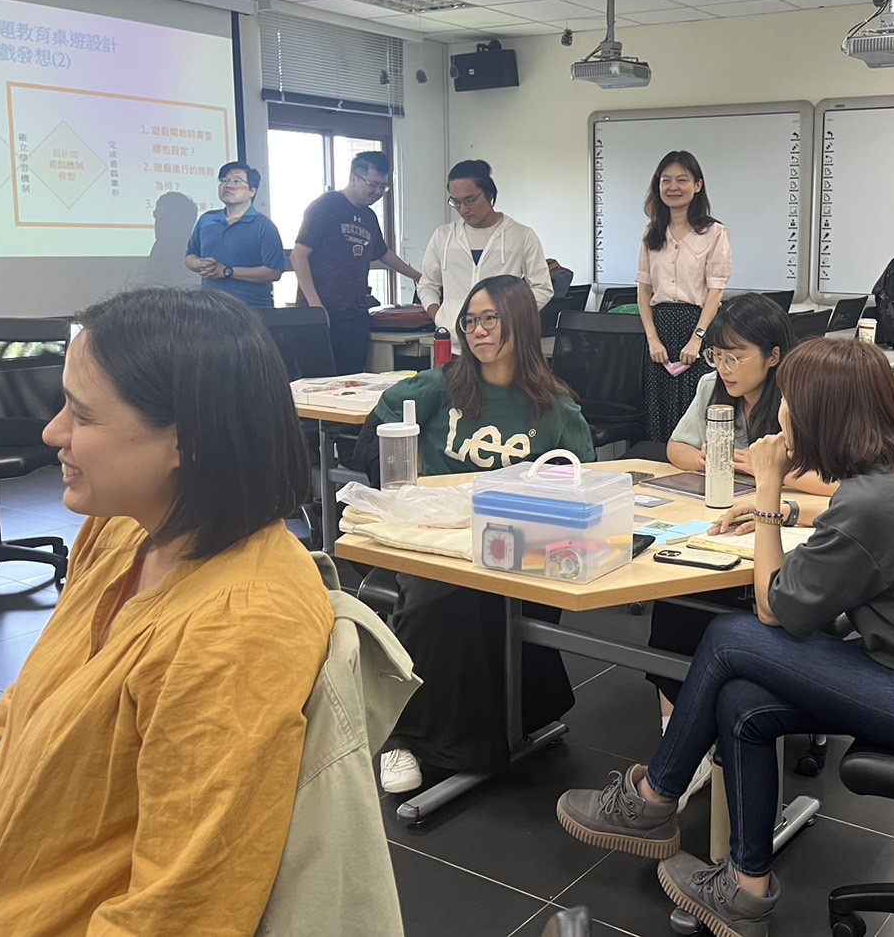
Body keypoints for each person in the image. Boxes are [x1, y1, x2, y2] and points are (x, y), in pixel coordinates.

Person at [556, 338, 894, 936]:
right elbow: (853, 523)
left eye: (789, 403)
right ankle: (746, 890)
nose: (780, 414)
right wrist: (792, 515)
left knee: (730, 637)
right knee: (743, 702)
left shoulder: (871, 502)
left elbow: (773, 608)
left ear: (819, 414)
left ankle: (653, 798)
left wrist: (770, 496)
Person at [0, 288, 333, 934]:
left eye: (82, 415)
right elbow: (17, 733)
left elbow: (176, 914)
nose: (51, 433)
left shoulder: (235, 630)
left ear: (186, 440)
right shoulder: (119, 530)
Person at [353, 274, 595, 795]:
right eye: (470, 321)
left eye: (491, 319)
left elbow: (582, 481)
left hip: (513, 543)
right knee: (437, 598)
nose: (478, 331)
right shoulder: (442, 385)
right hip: (438, 536)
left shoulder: (555, 407)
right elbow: (381, 427)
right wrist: (410, 474)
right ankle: (404, 737)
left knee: (494, 603)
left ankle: (486, 734)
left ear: (520, 323)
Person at [650, 294, 837, 805]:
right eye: (717, 355)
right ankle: (678, 738)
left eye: (736, 356)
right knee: (676, 594)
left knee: (735, 608)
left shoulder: (798, 396)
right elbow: (677, 448)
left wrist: (766, 472)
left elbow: (836, 482)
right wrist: (718, 462)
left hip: (785, 530)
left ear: (773, 356)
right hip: (729, 518)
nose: (725, 368)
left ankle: (709, 737)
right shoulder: (711, 387)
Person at [291, 151, 423, 374]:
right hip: (320, 313)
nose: (378, 192)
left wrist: (419, 277)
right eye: (373, 184)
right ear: (354, 177)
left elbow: (383, 253)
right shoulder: (325, 206)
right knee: (317, 380)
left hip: (355, 314)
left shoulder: (369, 217)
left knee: (354, 378)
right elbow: (298, 255)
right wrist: (315, 303)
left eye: (383, 187)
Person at [637, 150, 733, 442]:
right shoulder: (652, 233)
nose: (673, 187)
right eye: (666, 180)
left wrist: (697, 338)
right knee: (658, 410)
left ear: (697, 185)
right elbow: (644, 290)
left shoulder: (714, 233)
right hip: (660, 330)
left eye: (682, 180)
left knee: (695, 412)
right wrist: (652, 339)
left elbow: (716, 291)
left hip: (698, 326)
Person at [417, 159, 552, 338]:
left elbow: (542, 288)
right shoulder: (443, 236)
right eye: (456, 202)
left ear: (489, 193)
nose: (463, 210)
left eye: (470, 200)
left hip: (501, 341)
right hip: (453, 342)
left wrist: (510, 318)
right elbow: (427, 285)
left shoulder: (521, 236)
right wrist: (440, 318)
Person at [184, 161, 285, 308]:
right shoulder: (206, 220)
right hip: (211, 307)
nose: (228, 185)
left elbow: (273, 272)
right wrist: (198, 264)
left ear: (252, 191)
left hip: (252, 309)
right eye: (224, 180)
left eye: (236, 181)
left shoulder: (264, 226)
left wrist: (227, 272)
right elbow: (190, 254)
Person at [140, 190, 200, 288]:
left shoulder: (191, 256)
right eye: (156, 214)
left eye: (162, 216)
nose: (157, 221)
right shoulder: (160, 245)